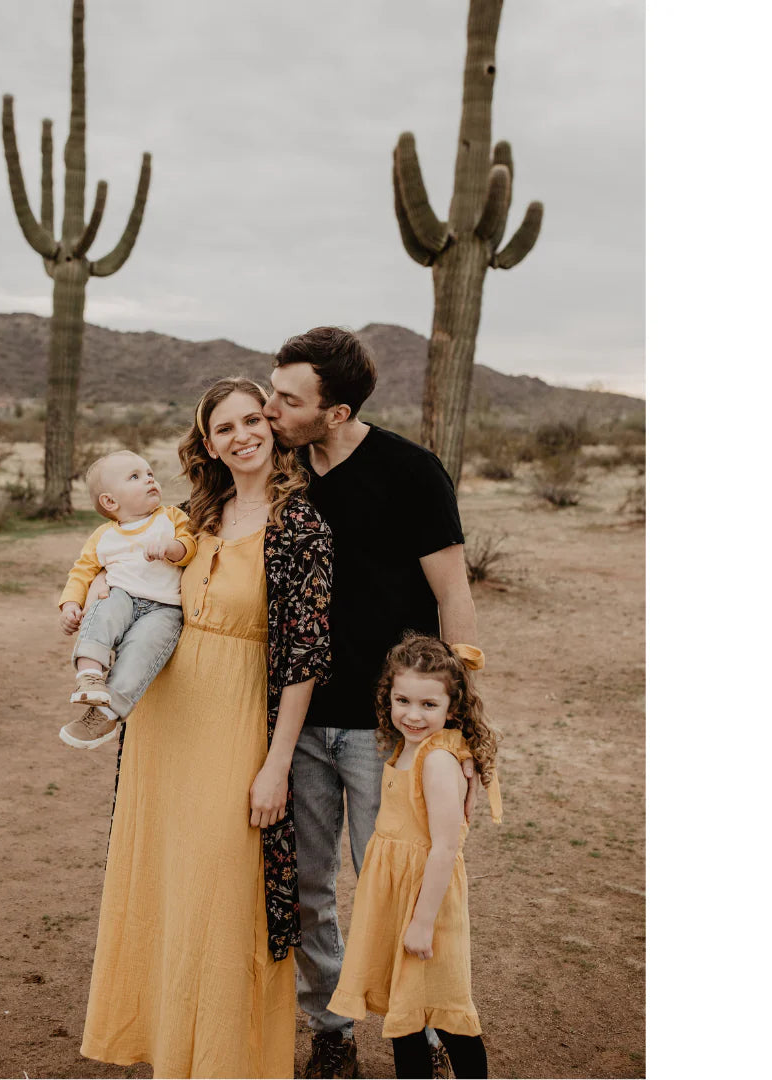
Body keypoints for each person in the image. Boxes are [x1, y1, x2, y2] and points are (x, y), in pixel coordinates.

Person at [79, 377, 333, 1078]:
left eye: (253, 420)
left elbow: (306, 657)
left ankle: (226, 1061)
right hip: (165, 721)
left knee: (224, 893)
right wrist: (102, 589)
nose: (242, 436)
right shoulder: (195, 512)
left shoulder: (301, 523)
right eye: (225, 428)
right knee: (167, 883)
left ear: (272, 428)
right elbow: (134, 577)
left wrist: (276, 764)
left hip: (239, 720)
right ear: (209, 444)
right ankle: (168, 1052)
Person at [261, 326, 482, 1079]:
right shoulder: (279, 470)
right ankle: (331, 1027)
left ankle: (413, 1024)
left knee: (396, 882)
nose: (271, 408)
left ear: (337, 409)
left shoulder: (411, 472)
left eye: (288, 399)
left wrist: (459, 726)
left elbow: (454, 594)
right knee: (310, 888)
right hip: (298, 718)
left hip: (393, 732)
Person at [328, 634, 501, 1079]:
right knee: (402, 1013)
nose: (412, 714)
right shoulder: (407, 746)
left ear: (452, 708)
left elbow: (445, 847)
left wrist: (422, 921)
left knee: (446, 1014)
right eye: (402, 700)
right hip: (396, 898)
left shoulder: (439, 761)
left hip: (427, 903)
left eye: (428, 705)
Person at [56, 450, 197, 749]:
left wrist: (172, 548)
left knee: (143, 650)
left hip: (164, 608)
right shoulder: (104, 535)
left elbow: (190, 544)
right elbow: (83, 571)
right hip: (122, 595)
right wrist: (71, 603)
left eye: (149, 474)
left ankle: (106, 713)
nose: (149, 480)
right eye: (135, 477)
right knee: (102, 612)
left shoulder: (171, 517)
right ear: (110, 501)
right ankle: (90, 675)